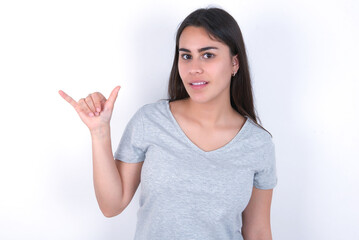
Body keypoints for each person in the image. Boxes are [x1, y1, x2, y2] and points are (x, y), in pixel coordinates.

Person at [59, 7, 277, 240]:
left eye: (208, 55)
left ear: (234, 63)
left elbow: (257, 231)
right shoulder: (150, 121)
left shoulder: (257, 144)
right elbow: (112, 206)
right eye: (186, 56)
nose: (194, 68)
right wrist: (100, 133)